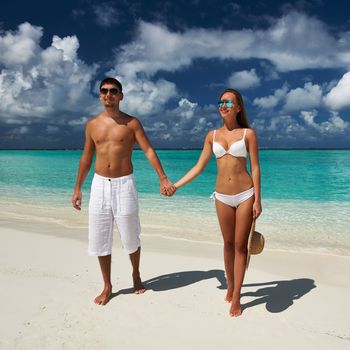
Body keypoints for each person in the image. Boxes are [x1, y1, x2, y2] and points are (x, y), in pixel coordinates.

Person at [72, 77, 175, 305]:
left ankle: (136, 273)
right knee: (100, 237)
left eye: (113, 91)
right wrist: (78, 187)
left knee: (131, 235)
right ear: (100, 95)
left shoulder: (132, 123)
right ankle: (107, 285)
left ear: (121, 95)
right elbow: (87, 157)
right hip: (100, 184)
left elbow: (148, 150)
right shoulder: (92, 125)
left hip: (125, 184)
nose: (108, 94)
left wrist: (163, 178)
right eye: (104, 91)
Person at [173, 88, 262, 317]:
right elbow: (199, 166)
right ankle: (230, 286)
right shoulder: (211, 135)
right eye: (221, 102)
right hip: (221, 196)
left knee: (241, 246)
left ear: (238, 107)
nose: (223, 105)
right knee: (228, 244)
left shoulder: (248, 134)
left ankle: (237, 297)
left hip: (245, 194)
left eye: (229, 103)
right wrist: (176, 185)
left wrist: (258, 200)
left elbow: (255, 168)